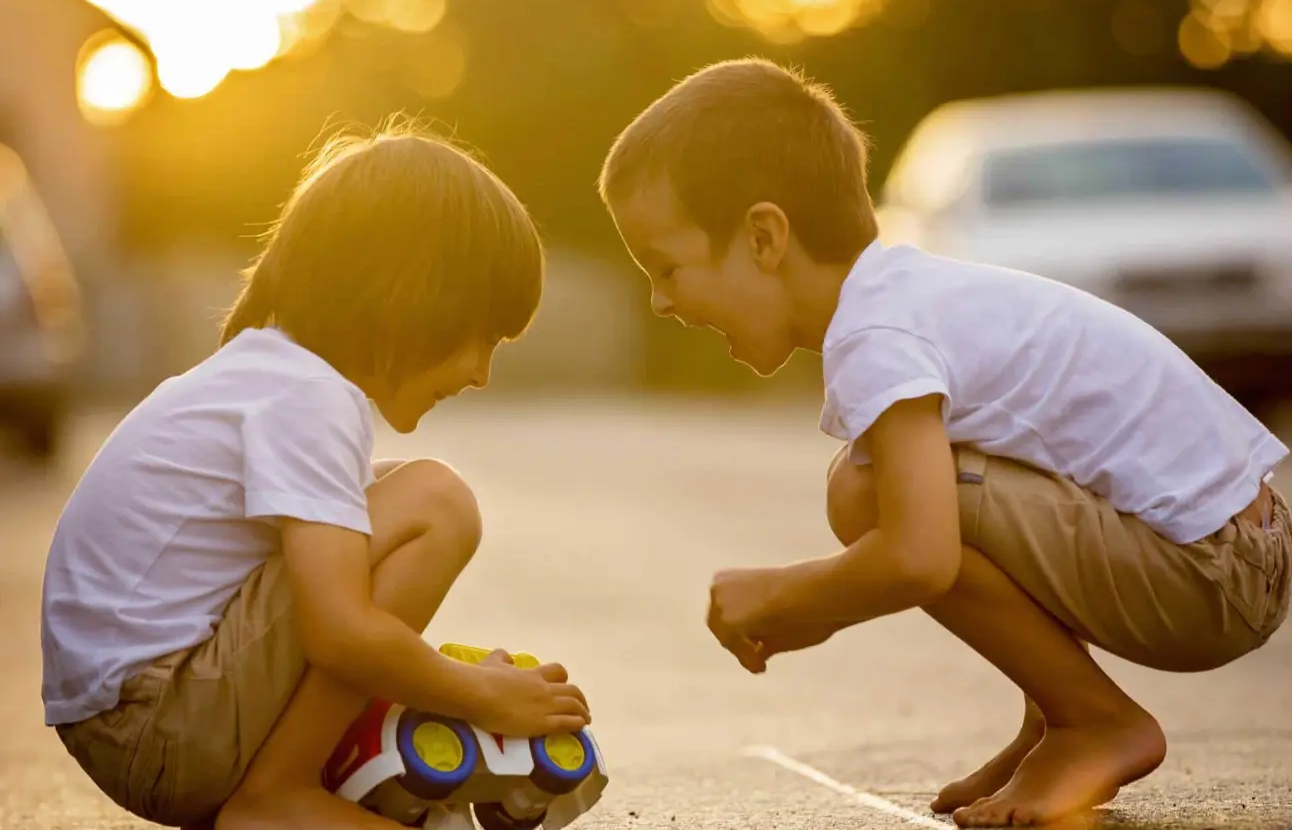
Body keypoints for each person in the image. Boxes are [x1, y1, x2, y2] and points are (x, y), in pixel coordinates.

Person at [596, 57, 1290, 828]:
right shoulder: (907, 297)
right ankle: (1058, 720)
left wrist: (795, 597)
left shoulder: (877, 335)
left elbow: (918, 555)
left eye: (667, 267)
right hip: (1236, 548)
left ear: (764, 237)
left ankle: (1095, 720)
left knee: (866, 497)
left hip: (1209, 572)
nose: (659, 301)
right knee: (889, 483)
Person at [42, 121, 591, 830]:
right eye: (483, 337)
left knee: (382, 497)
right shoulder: (307, 395)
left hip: (146, 720)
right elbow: (338, 631)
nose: (482, 375)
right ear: (416, 298)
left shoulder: (273, 377)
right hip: (161, 727)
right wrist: (479, 696)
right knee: (435, 501)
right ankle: (277, 795)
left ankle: (289, 779)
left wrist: (440, 681)